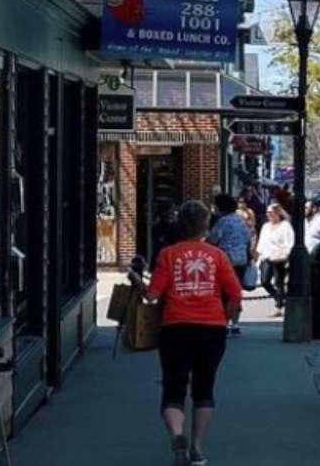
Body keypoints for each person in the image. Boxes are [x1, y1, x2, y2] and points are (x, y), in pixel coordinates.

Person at [145, 200, 243, 466]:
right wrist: (226, 316)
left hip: (175, 327)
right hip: (211, 328)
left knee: (173, 387)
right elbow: (235, 293)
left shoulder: (168, 254)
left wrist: (138, 282)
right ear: (205, 226)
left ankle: (177, 435)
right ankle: (197, 448)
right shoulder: (217, 255)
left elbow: (153, 295)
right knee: (204, 388)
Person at [204, 195, 251, 336]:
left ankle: (224, 322)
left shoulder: (222, 221)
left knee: (224, 293)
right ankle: (235, 323)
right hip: (241, 260)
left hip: (226, 261)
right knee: (236, 292)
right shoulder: (241, 220)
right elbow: (248, 238)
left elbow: (212, 239)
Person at [255, 204, 293, 316]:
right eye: (267, 213)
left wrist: (286, 255)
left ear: (278, 213)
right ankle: (280, 297)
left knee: (279, 282)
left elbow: (289, 242)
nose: (268, 215)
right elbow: (261, 241)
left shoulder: (285, 226)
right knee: (265, 281)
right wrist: (259, 255)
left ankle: (279, 306)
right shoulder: (266, 226)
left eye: (271, 213)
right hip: (266, 256)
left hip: (279, 257)